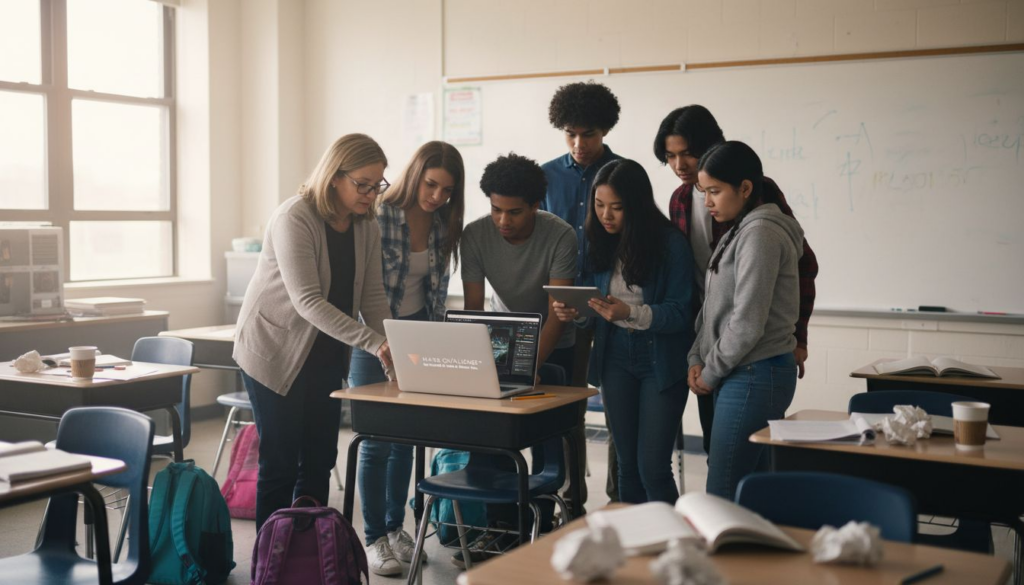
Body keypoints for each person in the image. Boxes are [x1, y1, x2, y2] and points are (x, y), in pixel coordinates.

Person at [232, 133, 394, 531]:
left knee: (320, 459)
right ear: (334, 176)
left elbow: (372, 296)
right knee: (281, 461)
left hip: (325, 354)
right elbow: (307, 301)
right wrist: (375, 344)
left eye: (378, 185)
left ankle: (305, 553)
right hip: (273, 351)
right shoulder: (295, 217)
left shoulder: (366, 226)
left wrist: (397, 345)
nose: (371, 194)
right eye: (363, 184)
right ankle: (270, 563)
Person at [654, 105, 819, 458]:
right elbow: (694, 280)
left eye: (688, 153)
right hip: (707, 337)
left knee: (741, 459)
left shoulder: (758, 197)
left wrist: (799, 336)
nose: (680, 165)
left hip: (752, 343)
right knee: (719, 447)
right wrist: (699, 352)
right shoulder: (681, 199)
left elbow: (802, 265)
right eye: (670, 156)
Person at [347, 141, 465, 575]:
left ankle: (396, 527)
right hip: (374, 337)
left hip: (419, 336)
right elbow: (366, 289)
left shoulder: (442, 225)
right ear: (414, 174)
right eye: (431, 184)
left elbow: (435, 294)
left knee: (406, 441)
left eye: (447, 191)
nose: (436, 196)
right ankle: (373, 537)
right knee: (375, 442)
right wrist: (378, 340)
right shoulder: (378, 215)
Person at [455, 152, 577, 566]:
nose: (503, 221)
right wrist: (479, 366)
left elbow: (556, 312)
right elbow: (474, 314)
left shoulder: (560, 236)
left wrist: (530, 366)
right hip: (505, 338)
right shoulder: (474, 235)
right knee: (493, 432)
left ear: (536, 206)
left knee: (550, 436)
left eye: (514, 212)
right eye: (495, 209)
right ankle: (501, 531)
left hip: (556, 340)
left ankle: (547, 524)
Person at [552, 159, 695, 504]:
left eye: (616, 207)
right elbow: (595, 306)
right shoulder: (598, 240)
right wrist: (577, 312)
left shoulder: (669, 244)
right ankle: (635, 545)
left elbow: (681, 312)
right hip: (614, 353)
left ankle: (670, 545)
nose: (606, 215)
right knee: (627, 466)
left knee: (652, 467)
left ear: (637, 205)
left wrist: (630, 312)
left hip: (659, 356)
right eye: (599, 205)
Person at [686, 141, 804, 500]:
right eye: (704, 192)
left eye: (714, 191)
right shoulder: (740, 229)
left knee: (722, 493)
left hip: (756, 373)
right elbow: (714, 309)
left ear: (746, 188)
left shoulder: (761, 233)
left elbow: (747, 320)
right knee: (745, 492)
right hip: (741, 371)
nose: (707, 202)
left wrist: (710, 371)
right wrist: (696, 356)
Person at [540, 80, 623, 504]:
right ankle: (570, 498)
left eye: (587, 134)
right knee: (566, 407)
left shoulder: (623, 175)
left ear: (604, 130)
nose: (578, 143)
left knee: (617, 410)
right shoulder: (545, 176)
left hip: (612, 305)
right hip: (563, 308)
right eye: (570, 133)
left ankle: (619, 498)